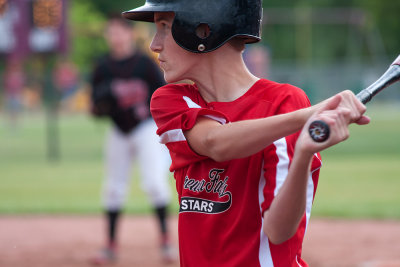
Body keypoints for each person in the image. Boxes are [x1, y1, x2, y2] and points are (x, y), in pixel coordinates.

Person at [122, 1, 369, 266]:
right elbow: (214, 142)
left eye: (164, 27)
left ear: (203, 30)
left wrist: (304, 154)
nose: (154, 45)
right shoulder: (171, 99)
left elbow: (279, 232)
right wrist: (305, 116)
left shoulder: (283, 102)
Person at [89, 14, 176, 265]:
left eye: (119, 31)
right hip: (118, 131)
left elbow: (161, 93)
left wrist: (150, 116)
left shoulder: (143, 64)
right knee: (113, 188)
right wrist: (101, 106)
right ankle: (110, 246)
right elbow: (94, 106)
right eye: (110, 31)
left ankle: (166, 243)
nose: (114, 36)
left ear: (128, 34)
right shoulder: (102, 66)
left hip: (145, 129)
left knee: (155, 184)